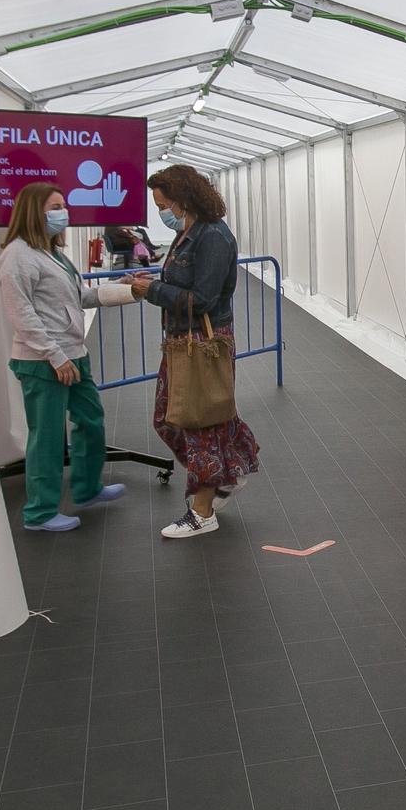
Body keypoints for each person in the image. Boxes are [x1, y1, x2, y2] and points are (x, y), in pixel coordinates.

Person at [123, 165, 261, 539]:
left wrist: (149, 291)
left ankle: (202, 511)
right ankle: (227, 473)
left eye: (164, 204)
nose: (162, 213)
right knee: (174, 419)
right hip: (183, 341)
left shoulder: (213, 237)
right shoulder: (191, 232)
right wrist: (149, 282)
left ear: (184, 200)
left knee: (200, 423)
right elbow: (184, 284)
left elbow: (201, 299)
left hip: (202, 342)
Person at [0, 182, 129, 532]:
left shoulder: (53, 253)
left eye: (63, 205)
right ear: (34, 211)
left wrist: (130, 290)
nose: (63, 212)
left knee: (91, 420)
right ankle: (39, 513)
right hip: (44, 362)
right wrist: (55, 357)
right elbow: (21, 314)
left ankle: (87, 489)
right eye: (55, 206)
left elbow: (81, 298)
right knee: (48, 437)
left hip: (73, 353)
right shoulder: (17, 255)